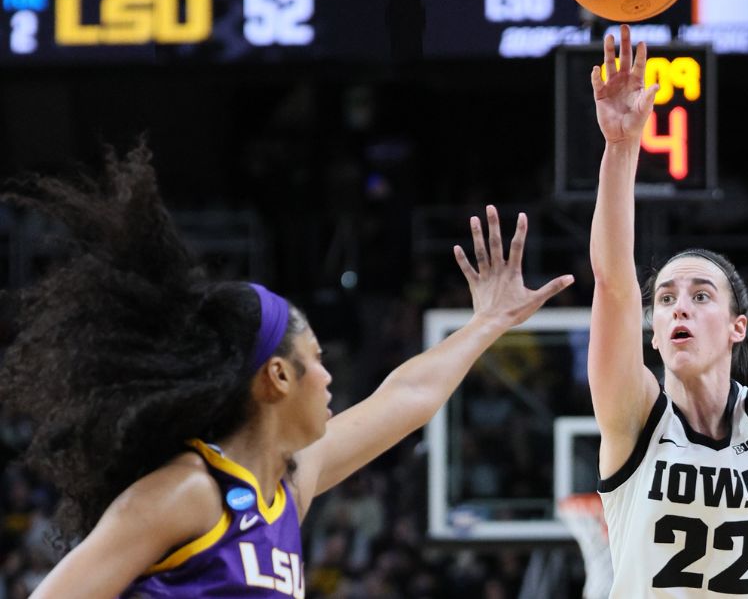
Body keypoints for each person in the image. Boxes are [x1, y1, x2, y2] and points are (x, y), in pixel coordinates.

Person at [0, 144, 573, 597]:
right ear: (277, 376)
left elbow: (409, 395)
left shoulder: (285, 487)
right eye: (317, 360)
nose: (329, 379)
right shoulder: (187, 493)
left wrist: (487, 324)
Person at [587, 26, 748, 597]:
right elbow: (613, 283)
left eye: (701, 296)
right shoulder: (633, 417)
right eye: (667, 299)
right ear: (652, 335)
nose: (680, 307)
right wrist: (622, 149)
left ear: (736, 328)